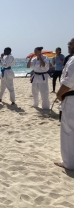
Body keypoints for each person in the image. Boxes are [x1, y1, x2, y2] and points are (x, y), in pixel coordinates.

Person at [55, 38, 74, 171]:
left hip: (71, 98)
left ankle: (68, 163)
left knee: (68, 130)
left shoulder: (73, 61)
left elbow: (69, 81)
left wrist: (59, 94)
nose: (68, 45)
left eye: (71, 43)